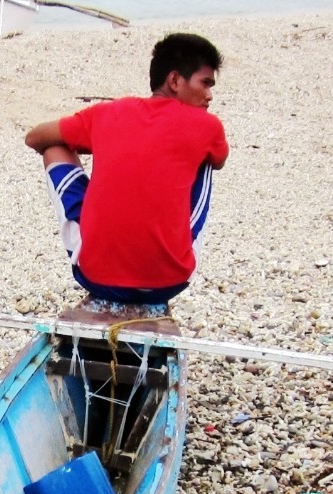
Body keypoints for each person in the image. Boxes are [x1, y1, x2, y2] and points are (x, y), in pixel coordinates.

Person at [23, 32, 227, 312]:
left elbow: (35, 137)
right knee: (206, 160)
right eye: (205, 84)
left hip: (94, 276)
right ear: (175, 81)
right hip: (170, 281)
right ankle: (172, 254)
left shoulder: (108, 113)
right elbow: (220, 160)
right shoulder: (207, 125)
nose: (209, 95)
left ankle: (100, 243)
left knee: (54, 148)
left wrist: (102, 145)